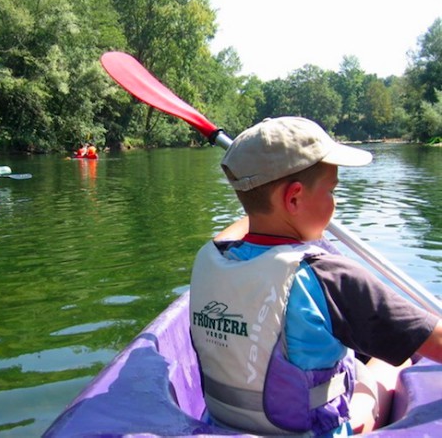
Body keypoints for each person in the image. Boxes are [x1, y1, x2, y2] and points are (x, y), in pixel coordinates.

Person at [189, 116, 442, 437]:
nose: (334, 205)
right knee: (394, 363)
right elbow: (436, 342)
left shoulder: (209, 258)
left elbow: (247, 221)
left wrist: (262, 197)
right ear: (293, 198)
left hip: (225, 425)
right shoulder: (328, 277)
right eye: (331, 191)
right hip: (309, 432)